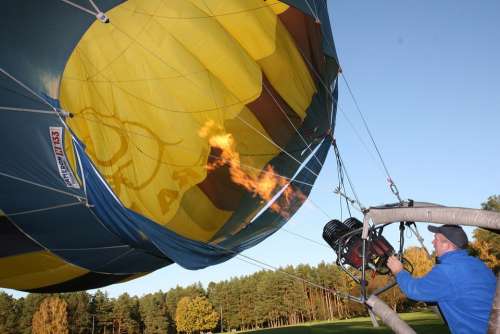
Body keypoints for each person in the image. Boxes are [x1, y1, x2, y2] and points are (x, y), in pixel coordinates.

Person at [387, 224, 496, 334]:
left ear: (447, 245)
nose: (433, 242)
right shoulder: (479, 264)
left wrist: (399, 272)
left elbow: (414, 290)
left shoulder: (447, 270)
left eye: (436, 239)